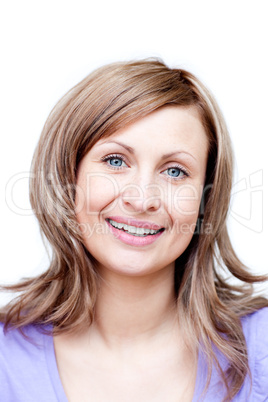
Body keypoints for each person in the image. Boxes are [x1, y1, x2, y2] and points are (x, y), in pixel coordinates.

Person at [0, 59, 267, 402]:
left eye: (175, 171)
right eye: (115, 161)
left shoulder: (261, 349)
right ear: (69, 178)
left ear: (206, 198)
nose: (142, 199)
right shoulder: (7, 357)